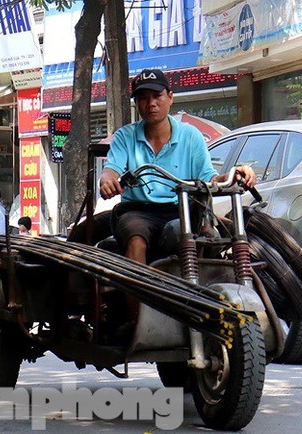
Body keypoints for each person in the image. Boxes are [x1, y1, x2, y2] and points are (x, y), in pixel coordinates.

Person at [99, 68, 256, 333]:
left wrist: (235, 174)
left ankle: (191, 305)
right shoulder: (126, 136)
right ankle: (138, 321)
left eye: (157, 95)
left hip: (180, 210)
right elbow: (111, 169)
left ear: (170, 97)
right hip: (137, 211)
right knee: (136, 238)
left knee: (192, 237)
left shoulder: (191, 136)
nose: (151, 103)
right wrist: (107, 180)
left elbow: (208, 178)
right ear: (137, 103)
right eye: (144, 98)